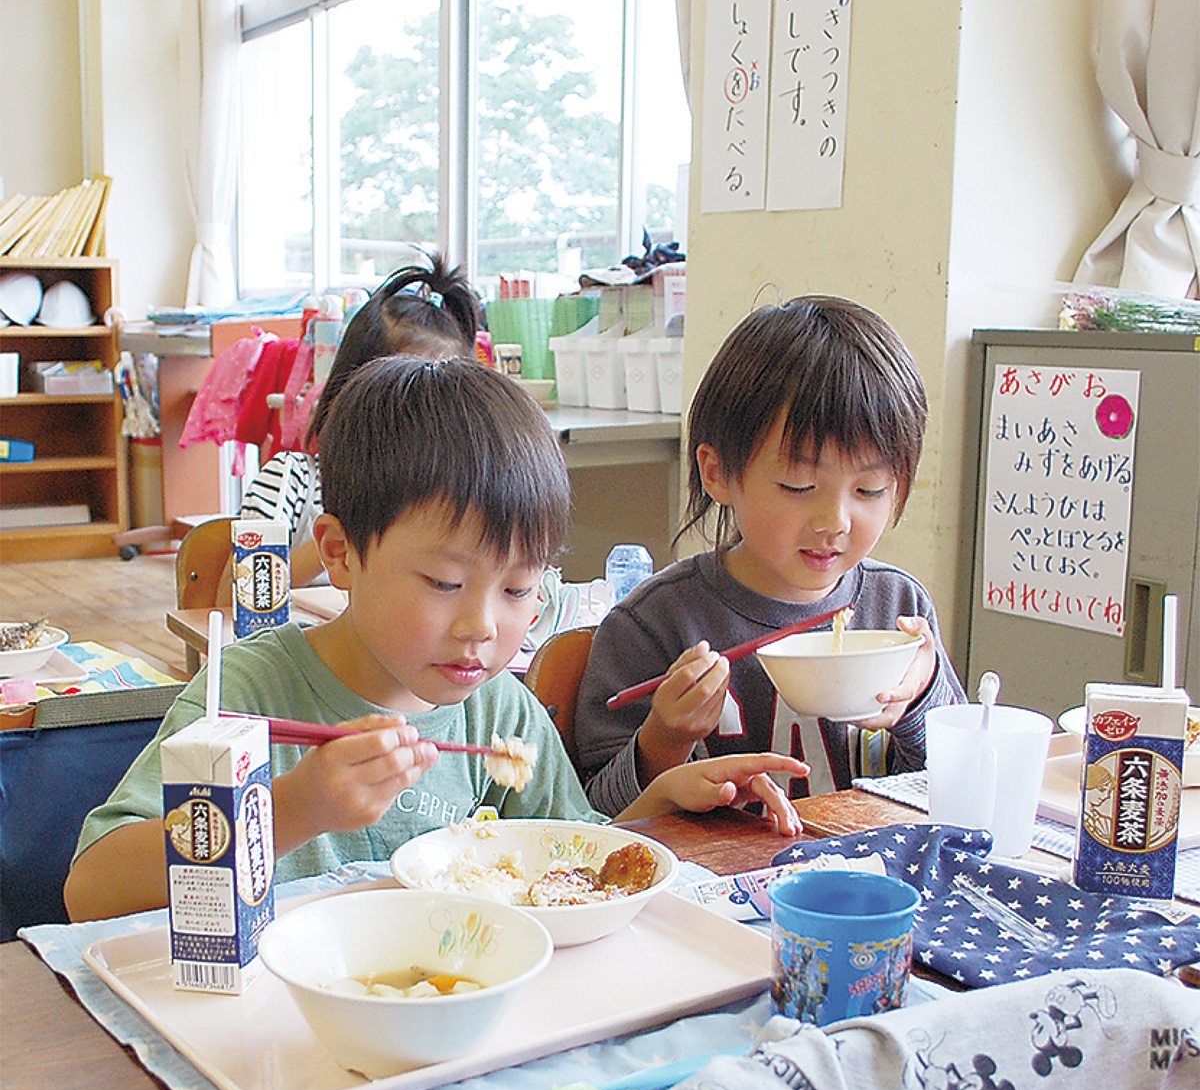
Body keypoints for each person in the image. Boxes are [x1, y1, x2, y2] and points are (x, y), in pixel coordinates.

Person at [64, 356, 805, 922]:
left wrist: (660, 801)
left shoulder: (500, 712)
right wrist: (292, 809)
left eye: (518, 589)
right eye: (445, 583)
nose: (482, 626)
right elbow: (91, 891)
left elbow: (571, 866)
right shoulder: (248, 694)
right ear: (341, 554)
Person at [574, 295, 966, 817]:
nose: (835, 521)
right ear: (717, 473)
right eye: (798, 485)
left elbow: (963, 784)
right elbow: (593, 824)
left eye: (869, 490)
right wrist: (664, 741)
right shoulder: (655, 624)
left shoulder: (896, 607)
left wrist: (921, 700)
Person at [234, 254, 482, 590]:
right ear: (348, 389)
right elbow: (236, 595)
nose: (429, 419)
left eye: (446, 400)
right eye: (411, 397)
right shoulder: (293, 481)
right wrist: (353, 532)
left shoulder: (458, 497)